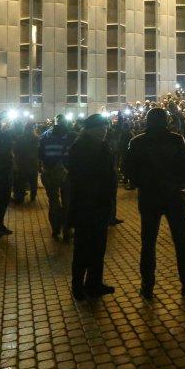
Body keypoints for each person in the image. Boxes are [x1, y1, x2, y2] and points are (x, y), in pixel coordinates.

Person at [124, 108, 185, 299]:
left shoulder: (137, 142)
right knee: (181, 243)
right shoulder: (176, 140)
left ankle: (147, 286)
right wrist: (177, 183)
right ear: (166, 121)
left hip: (149, 197)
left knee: (148, 243)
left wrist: (143, 183)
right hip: (173, 196)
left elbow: (127, 168)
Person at [66, 114, 118, 299]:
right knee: (83, 247)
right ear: (90, 129)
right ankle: (78, 286)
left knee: (98, 247)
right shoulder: (81, 147)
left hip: (99, 203)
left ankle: (94, 283)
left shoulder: (101, 146)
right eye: (100, 127)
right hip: (87, 204)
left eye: (105, 127)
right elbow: (79, 177)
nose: (104, 131)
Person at [38, 115, 76, 240]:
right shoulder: (71, 136)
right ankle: (66, 230)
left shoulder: (44, 136)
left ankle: (55, 229)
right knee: (67, 202)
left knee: (53, 202)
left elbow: (40, 155)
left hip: (49, 173)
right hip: (66, 173)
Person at [12, 121, 41, 202]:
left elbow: (15, 150)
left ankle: (21, 197)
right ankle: (33, 197)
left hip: (22, 163)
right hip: (33, 163)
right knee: (33, 181)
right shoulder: (37, 138)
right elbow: (39, 151)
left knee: (21, 181)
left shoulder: (20, 138)